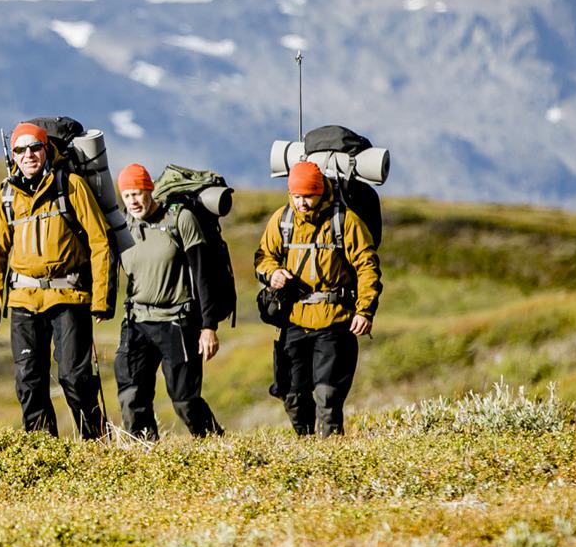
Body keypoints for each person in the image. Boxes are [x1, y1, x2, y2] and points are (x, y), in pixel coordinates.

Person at [0, 120, 114, 436]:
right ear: (13, 156)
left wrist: (101, 299)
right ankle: (43, 452)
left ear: (46, 149)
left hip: (69, 297)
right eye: (20, 150)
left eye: (35, 147)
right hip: (23, 300)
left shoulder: (72, 186)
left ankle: (94, 443)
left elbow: (99, 241)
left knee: (74, 377)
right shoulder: (6, 198)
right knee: (28, 380)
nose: (28, 155)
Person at [251, 159, 380, 436]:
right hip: (294, 319)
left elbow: (367, 267)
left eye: (308, 196)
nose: (302, 203)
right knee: (292, 396)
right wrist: (272, 273)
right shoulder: (282, 220)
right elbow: (263, 257)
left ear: (320, 191)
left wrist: (364, 310)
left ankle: (331, 454)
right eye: (297, 197)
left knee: (327, 396)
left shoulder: (345, 222)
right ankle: (307, 447)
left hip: (335, 321)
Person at [113, 162, 223, 439]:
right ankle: (146, 450)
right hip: (137, 321)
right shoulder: (122, 226)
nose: (133, 201)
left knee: (184, 399)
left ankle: (211, 443)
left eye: (138, 193)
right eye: (127, 195)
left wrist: (208, 327)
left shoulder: (179, 219)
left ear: (150, 190)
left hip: (177, 321)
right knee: (131, 394)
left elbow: (202, 273)